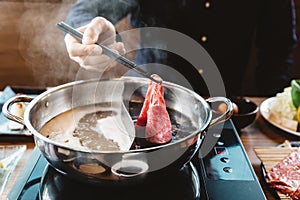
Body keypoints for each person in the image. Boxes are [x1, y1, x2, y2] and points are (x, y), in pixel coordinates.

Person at [64, 0, 297, 97]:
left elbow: (278, 44)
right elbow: (90, 7)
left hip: (220, 105)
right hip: (144, 96)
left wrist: (275, 111)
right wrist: (85, 32)